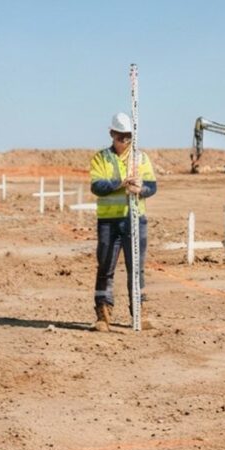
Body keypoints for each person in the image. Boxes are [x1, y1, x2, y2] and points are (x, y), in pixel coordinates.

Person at [90, 112, 157, 331]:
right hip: (109, 222)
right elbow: (97, 187)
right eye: (120, 137)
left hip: (135, 220)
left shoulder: (140, 158)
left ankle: (139, 312)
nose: (125, 141)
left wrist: (141, 189)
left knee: (136, 269)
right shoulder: (101, 158)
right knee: (106, 268)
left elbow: (152, 186)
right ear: (112, 134)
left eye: (128, 137)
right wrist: (120, 184)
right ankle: (103, 314)